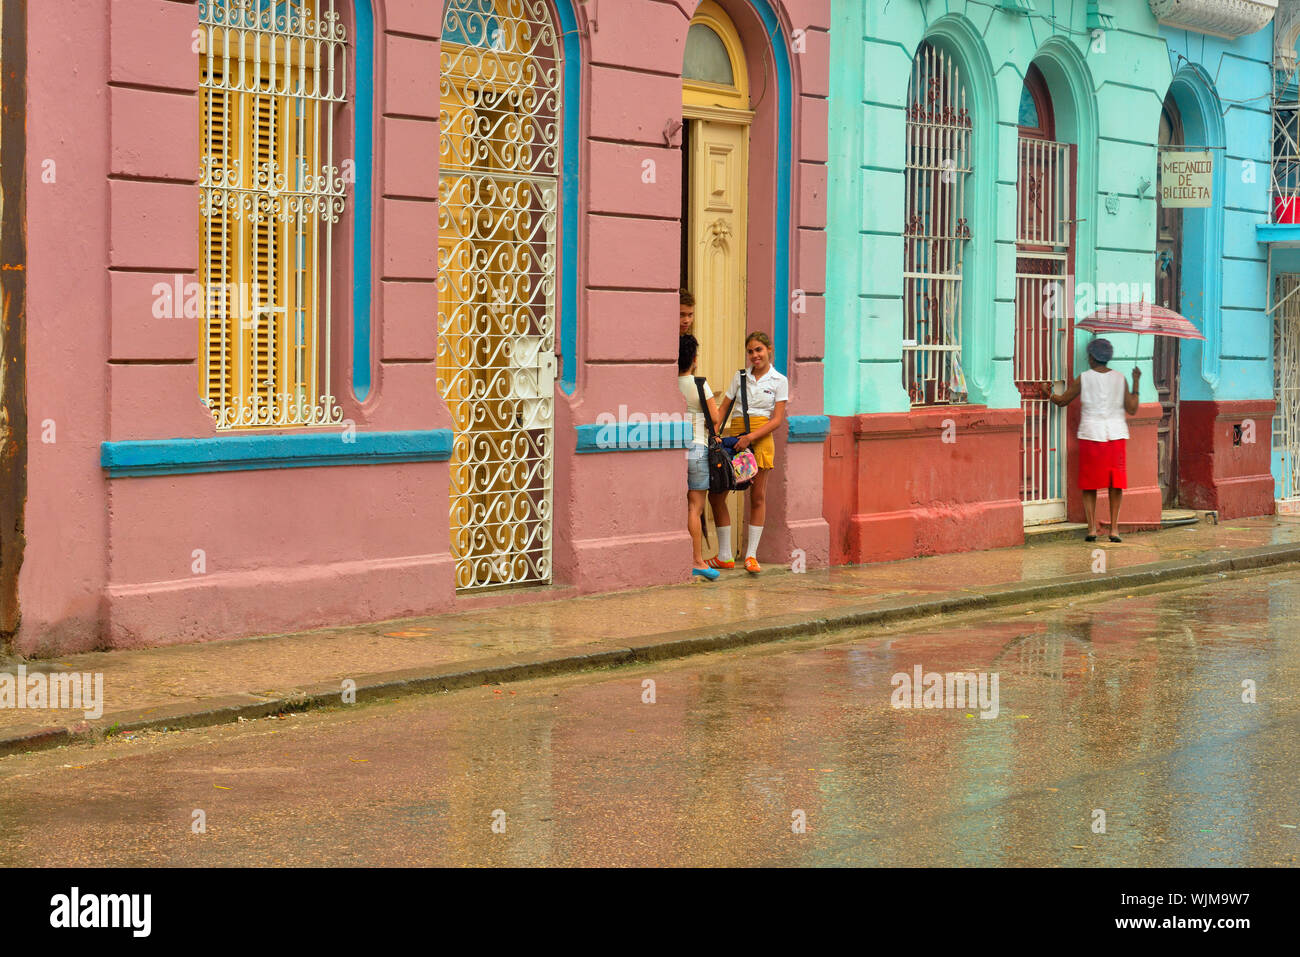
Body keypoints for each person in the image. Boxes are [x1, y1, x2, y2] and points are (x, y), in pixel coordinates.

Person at [1040, 337, 1140, 542]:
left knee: (1090, 484)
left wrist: (1048, 393)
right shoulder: (1120, 378)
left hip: (1090, 434)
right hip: (1116, 435)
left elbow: (1062, 401)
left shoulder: (1084, 378)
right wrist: (1136, 381)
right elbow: (1132, 408)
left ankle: (1092, 529)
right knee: (1115, 484)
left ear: (1093, 358)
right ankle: (1114, 529)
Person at [707, 331, 788, 574]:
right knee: (718, 492)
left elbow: (777, 420)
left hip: (760, 439)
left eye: (759, 350)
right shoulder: (740, 377)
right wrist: (713, 433)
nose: (754, 355)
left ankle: (751, 556)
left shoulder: (778, 380)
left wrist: (750, 438)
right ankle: (724, 556)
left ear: (769, 350)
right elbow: (722, 409)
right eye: (750, 351)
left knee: (757, 496)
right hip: (735, 439)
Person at [679, 335, 722, 580]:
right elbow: (715, 419)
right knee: (695, 507)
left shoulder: (670, 383)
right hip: (697, 447)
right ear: (694, 360)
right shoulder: (699, 385)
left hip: (675, 448)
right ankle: (697, 560)